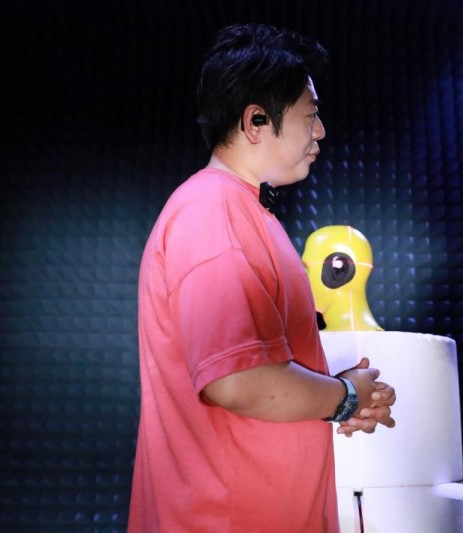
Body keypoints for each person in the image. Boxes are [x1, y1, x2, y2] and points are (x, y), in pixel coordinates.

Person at [129, 23, 396, 532]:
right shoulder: (212, 211)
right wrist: (345, 397)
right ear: (255, 121)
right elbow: (237, 380)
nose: (320, 131)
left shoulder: (244, 212)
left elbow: (256, 371)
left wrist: (335, 395)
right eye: (310, 116)